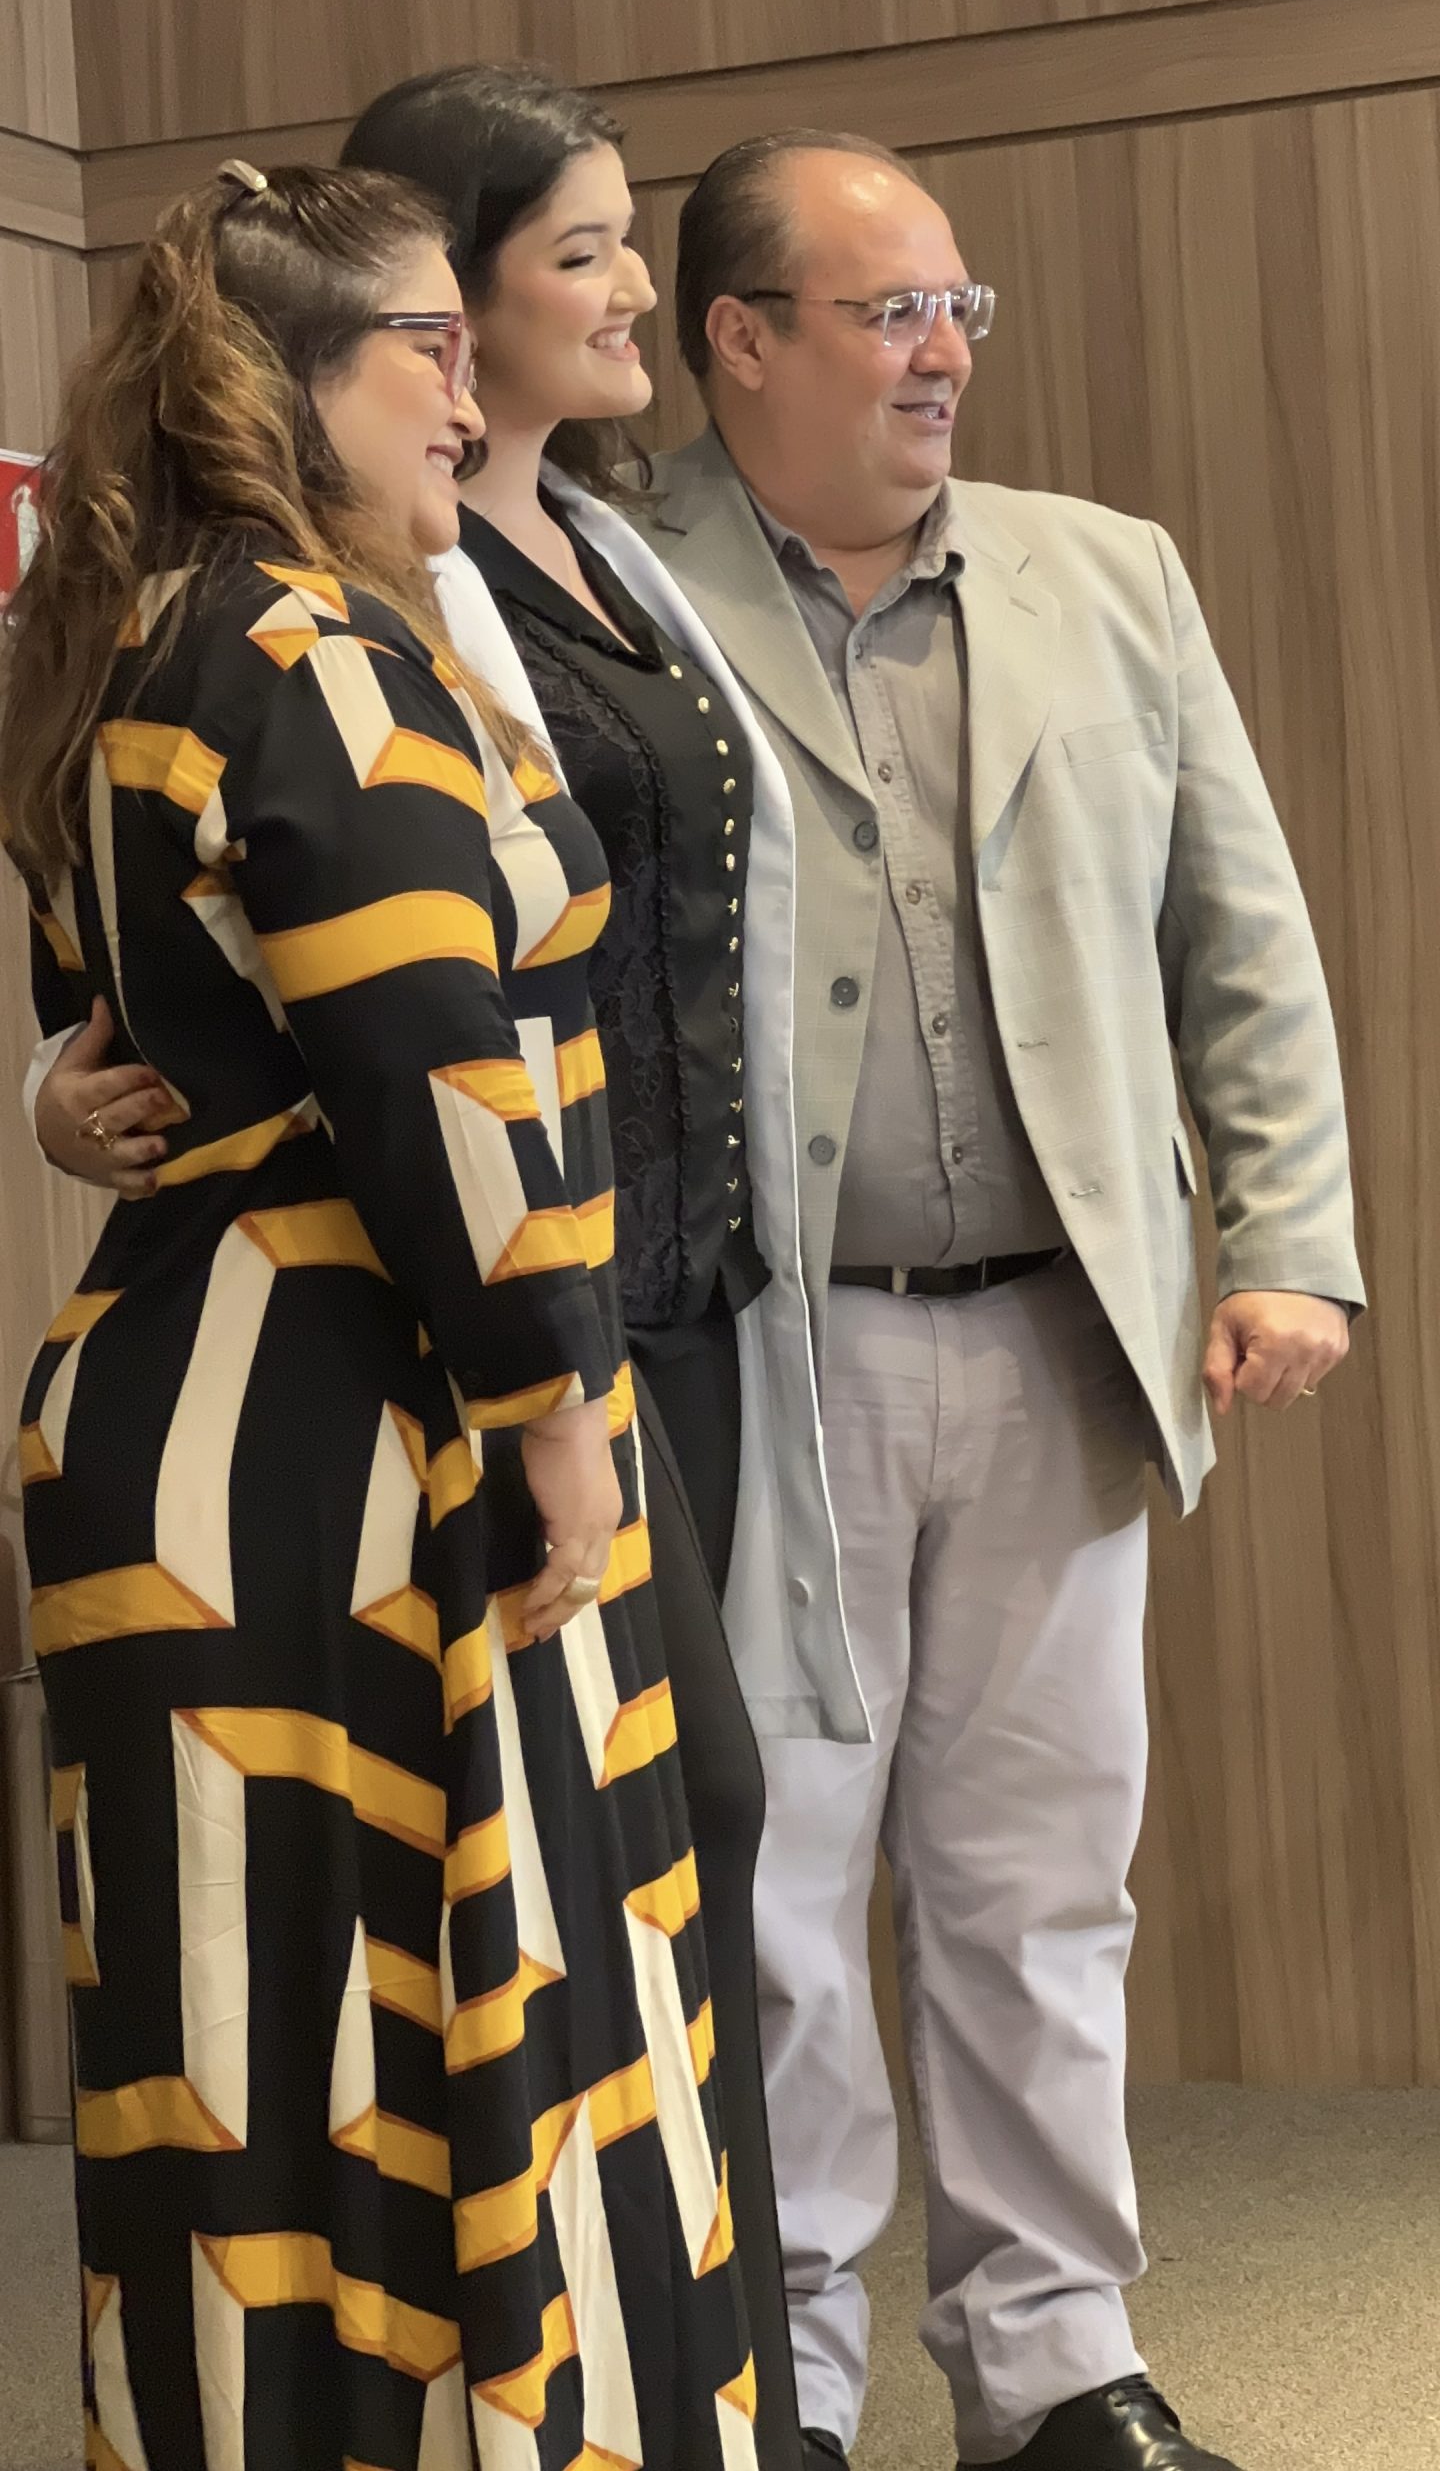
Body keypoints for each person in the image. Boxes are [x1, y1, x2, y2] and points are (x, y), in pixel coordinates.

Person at [4, 158, 760, 2471]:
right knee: (383, 2038)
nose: (464, 394)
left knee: (251, 2045)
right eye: (425, 348)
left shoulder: (144, 628)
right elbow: (432, 1056)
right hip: (349, 1428)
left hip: (202, 1419)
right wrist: (557, 1401)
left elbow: (108, 1008)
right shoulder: (303, 646)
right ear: (286, 382)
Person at [632, 132, 1365, 2471]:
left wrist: (1288, 1235)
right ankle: (785, 2373)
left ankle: (1054, 2360)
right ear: (739, 337)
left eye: (960, 306)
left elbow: (1238, 931)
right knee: (775, 1881)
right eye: (891, 312)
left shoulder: (1105, 573)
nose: (943, 351)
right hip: (768, 1346)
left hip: (1063, 1331)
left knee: (1041, 1879)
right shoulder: (610, 579)